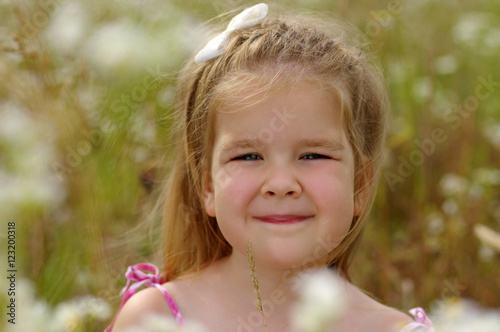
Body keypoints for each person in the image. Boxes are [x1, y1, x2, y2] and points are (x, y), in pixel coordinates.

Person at [106, 3, 434, 332]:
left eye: (313, 156)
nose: (280, 184)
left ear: (359, 185)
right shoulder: (155, 319)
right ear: (208, 186)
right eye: (248, 157)